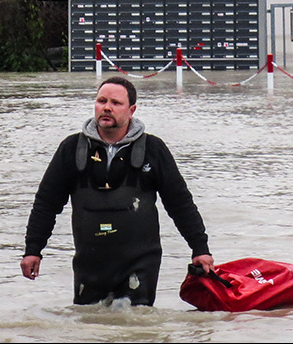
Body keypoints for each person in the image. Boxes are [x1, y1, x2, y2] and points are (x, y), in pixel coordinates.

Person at [20, 75, 214, 306]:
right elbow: (46, 203)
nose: (107, 108)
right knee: (90, 328)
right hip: (89, 263)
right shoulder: (71, 149)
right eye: (102, 101)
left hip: (140, 264)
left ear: (131, 110)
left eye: (115, 103)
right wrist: (33, 249)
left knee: (134, 327)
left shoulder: (153, 149)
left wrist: (200, 249)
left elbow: (180, 203)